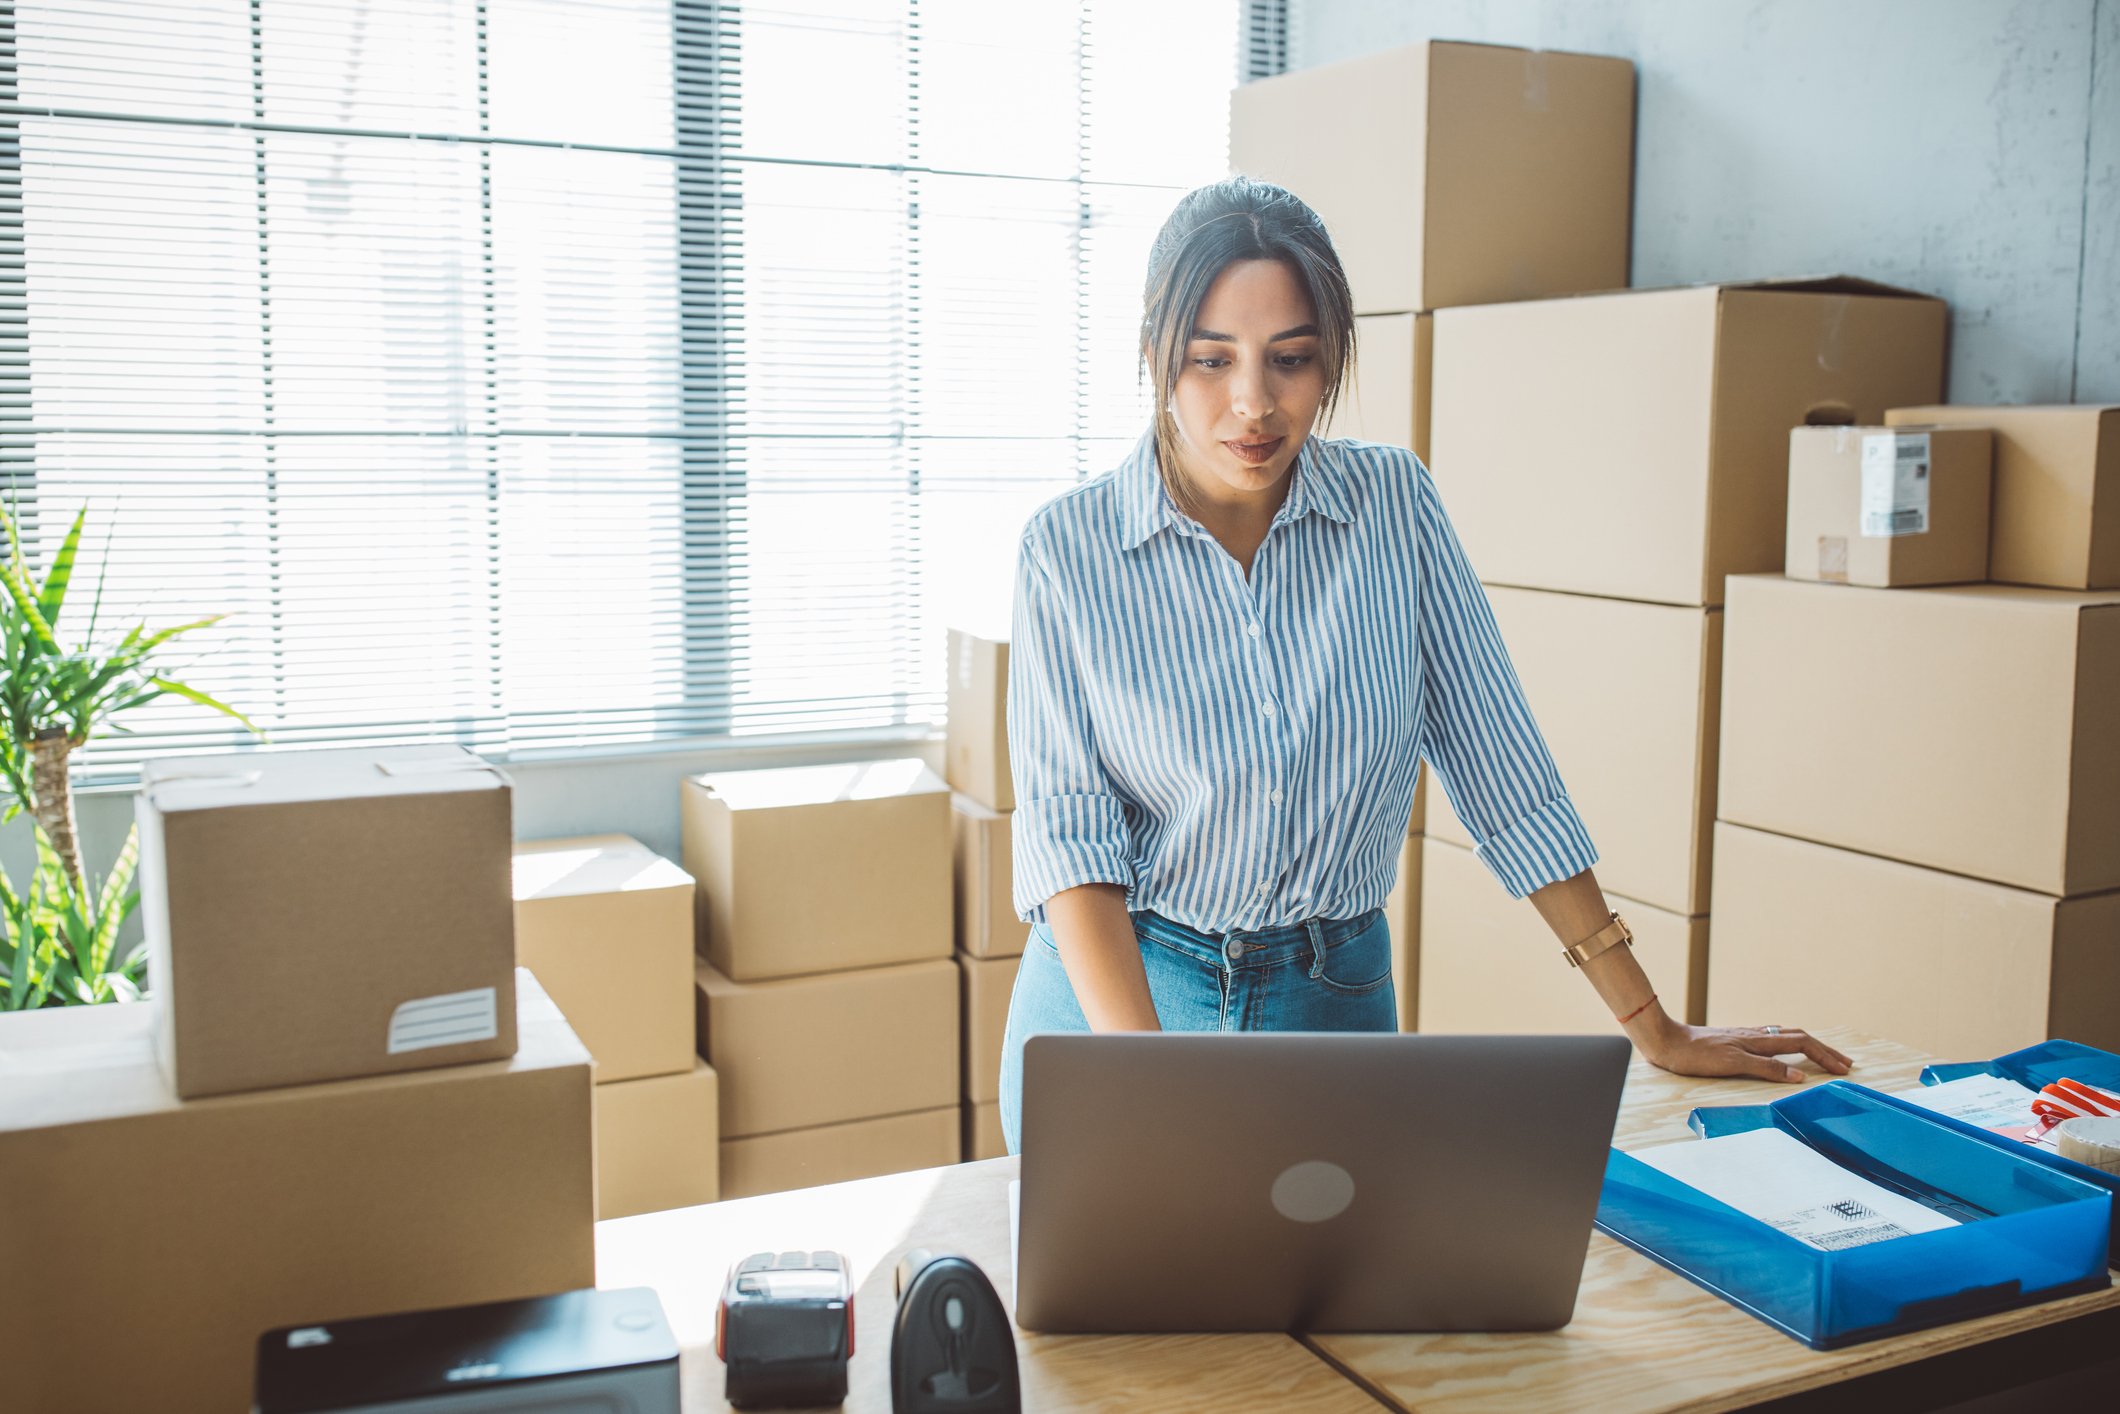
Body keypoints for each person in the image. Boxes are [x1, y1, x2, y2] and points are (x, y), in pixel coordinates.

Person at [995, 177, 1850, 1155]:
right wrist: (1152, 1086)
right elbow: (1074, 854)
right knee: (1127, 1306)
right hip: (1122, 1010)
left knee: (1342, 1299)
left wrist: (1649, 1022)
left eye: (1291, 360)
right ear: (1151, 351)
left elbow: (1502, 772)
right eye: (1208, 360)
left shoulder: (1392, 509)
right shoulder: (1066, 549)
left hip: (1332, 1001)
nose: (1253, 403)